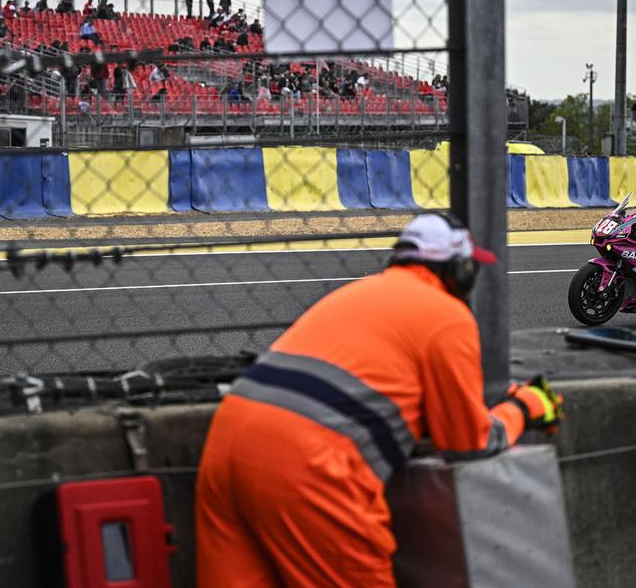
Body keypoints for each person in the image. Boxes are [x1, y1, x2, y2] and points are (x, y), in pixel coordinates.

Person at [195, 213, 564, 587]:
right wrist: (524, 407)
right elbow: (469, 441)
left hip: (227, 440)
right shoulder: (447, 317)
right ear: (460, 271)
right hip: (309, 462)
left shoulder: (361, 291)